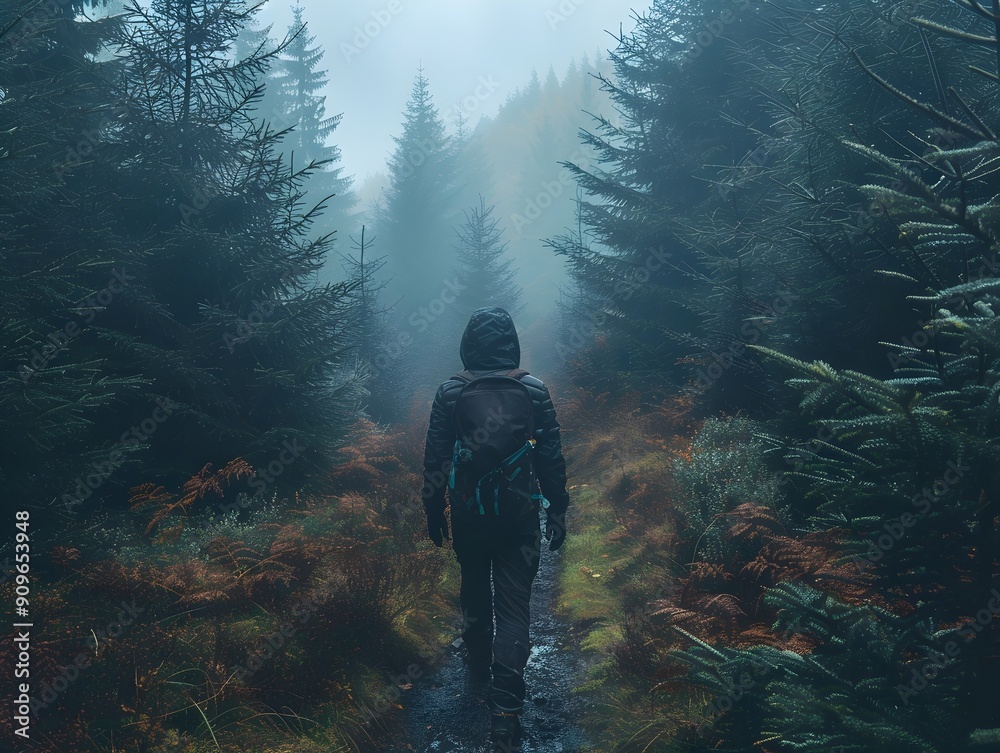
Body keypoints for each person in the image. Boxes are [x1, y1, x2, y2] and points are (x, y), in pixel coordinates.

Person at [421, 306, 570, 750]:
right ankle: (505, 711)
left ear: (468, 344)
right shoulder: (534, 389)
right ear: (512, 342)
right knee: (514, 608)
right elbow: (551, 458)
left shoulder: (450, 392)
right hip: (520, 518)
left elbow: (435, 459)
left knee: (473, 588)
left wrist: (434, 510)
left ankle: (478, 668)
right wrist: (558, 511)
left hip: (469, 516)